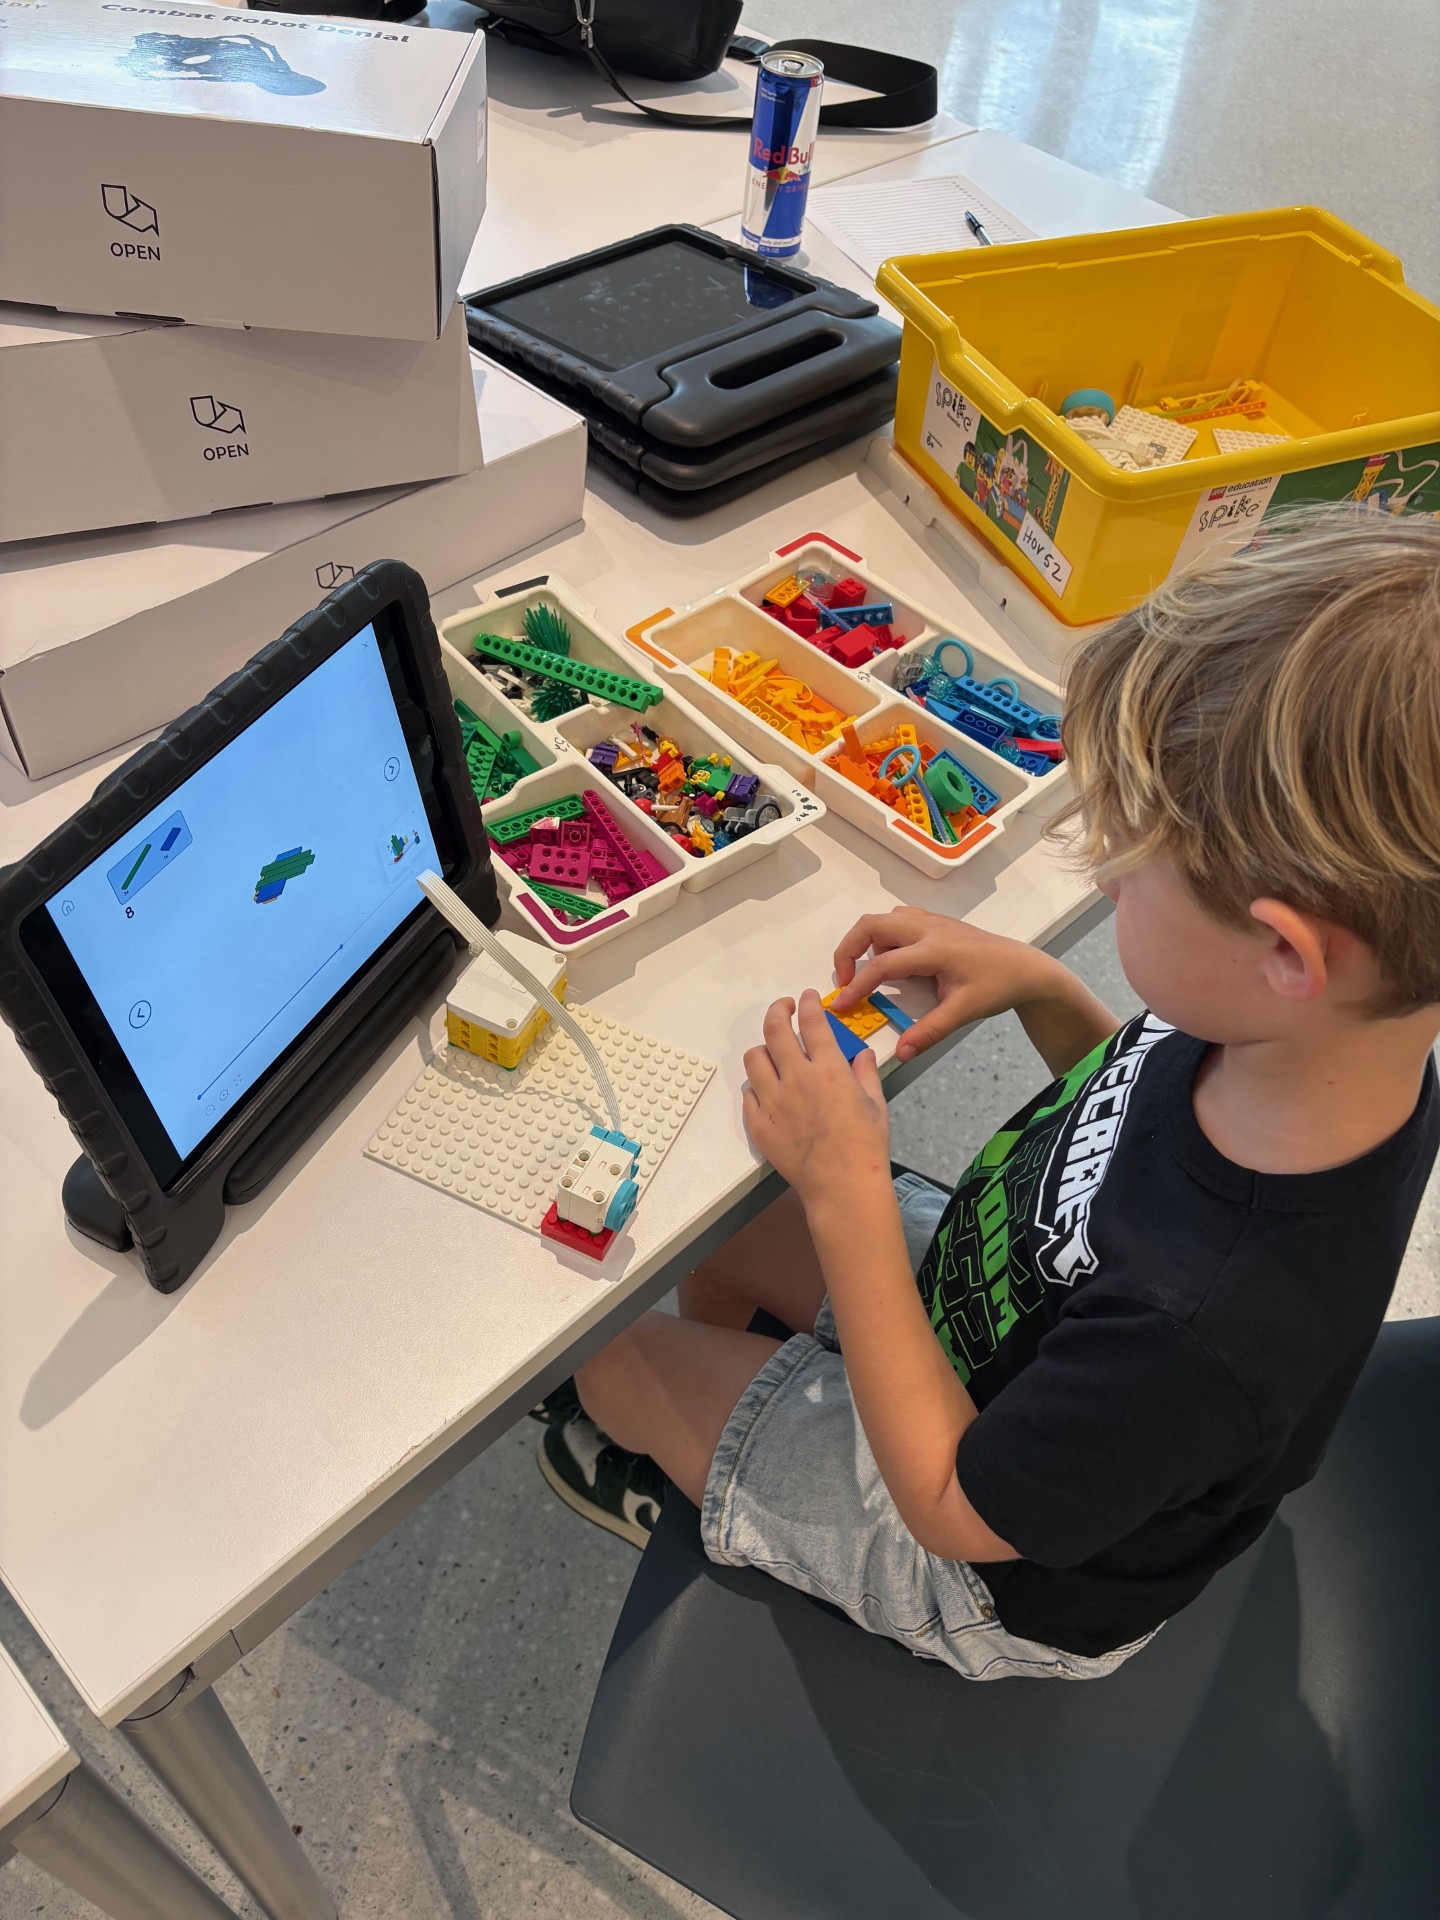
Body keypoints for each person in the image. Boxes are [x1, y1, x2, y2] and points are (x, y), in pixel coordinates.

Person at [536, 506, 1440, 1679]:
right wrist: (1041, 987)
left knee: (613, 1358)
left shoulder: (1205, 1336)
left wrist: (853, 1193)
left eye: (1125, 866)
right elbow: (1144, 1113)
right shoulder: (1326, 1052)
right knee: (729, 1218)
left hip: (978, 1564)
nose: (1107, 888)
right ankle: (756, 1418)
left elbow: (955, 1509)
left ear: (1285, 954)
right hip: (997, 1317)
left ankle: (706, 1483)